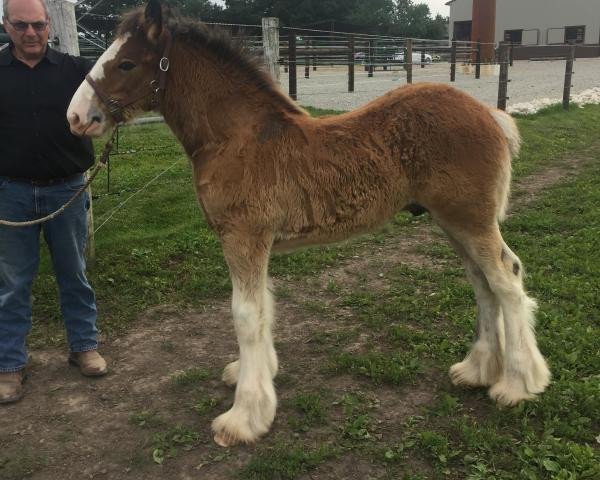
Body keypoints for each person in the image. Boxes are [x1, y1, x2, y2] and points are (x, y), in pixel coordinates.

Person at [0, 0, 107, 404]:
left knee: (74, 274)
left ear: (50, 27)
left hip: (66, 188)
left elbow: (110, 102)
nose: (31, 33)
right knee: (12, 283)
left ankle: (84, 347)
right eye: (21, 26)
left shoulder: (76, 72)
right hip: (10, 192)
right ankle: (9, 365)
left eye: (38, 25)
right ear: (6, 25)